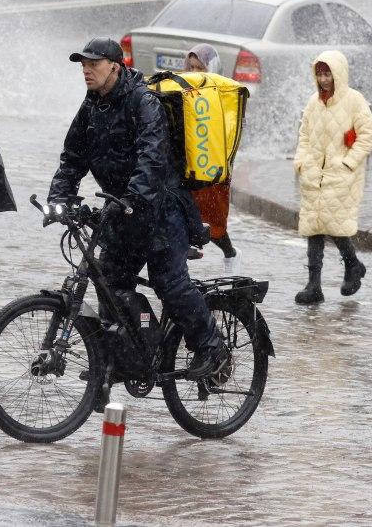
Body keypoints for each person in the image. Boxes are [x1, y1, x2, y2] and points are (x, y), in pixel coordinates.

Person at [48, 37, 227, 385]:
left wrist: (136, 196)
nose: (86, 70)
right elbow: (73, 156)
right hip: (122, 211)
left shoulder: (142, 100)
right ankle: (121, 358)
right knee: (108, 282)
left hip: (161, 209)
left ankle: (212, 347)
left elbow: (152, 154)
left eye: (93, 64)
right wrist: (61, 196)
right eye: (82, 64)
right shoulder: (92, 105)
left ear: (115, 66)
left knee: (170, 283)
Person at [292, 50, 372, 305]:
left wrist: (348, 163)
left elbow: (366, 136)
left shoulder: (354, 101)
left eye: (328, 73)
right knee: (314, 227)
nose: (324, 79)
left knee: (335, 224)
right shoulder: (312, 103)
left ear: (338, 73)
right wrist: (301, 162)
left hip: (341, 175)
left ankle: (352, 265)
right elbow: (304, 135)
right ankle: (314, 285)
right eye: (319, 74)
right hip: (314, 173)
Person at [184, 44, 239, 269]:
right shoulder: (185, 93)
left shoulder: (224, 95)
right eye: (192, 67)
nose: (196, 73)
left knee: (213, 223)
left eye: (202, 68)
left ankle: (231, 253)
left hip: (212, 167)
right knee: (185, 214)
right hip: (190, 166)